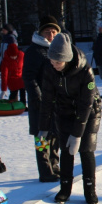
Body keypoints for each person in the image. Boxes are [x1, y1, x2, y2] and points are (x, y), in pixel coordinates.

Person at [39, 33, 102, 204]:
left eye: (58, 62)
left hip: (88, 112)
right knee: (66, 149)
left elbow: (85, 104)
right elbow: (46, 100)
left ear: (66, 59)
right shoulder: (50, 69)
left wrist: (78, 134)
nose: (54, 65)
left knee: (85, 148)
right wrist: (43, 128)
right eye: (52, 61)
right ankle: (64, 189)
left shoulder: (85, 70)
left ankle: (90, 190)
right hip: (64, 110)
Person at [23, 15, 62, 182]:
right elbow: (29, 77)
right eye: (47, 32)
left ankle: (55, 165)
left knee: (55, 136)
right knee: (42, 137)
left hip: (56, 102)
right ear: (41, 33)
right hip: (40, 103)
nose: (51, 35)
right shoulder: (34, 51)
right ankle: (45, 170)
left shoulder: (56, 49)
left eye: (54, 32)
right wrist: (38, 98)